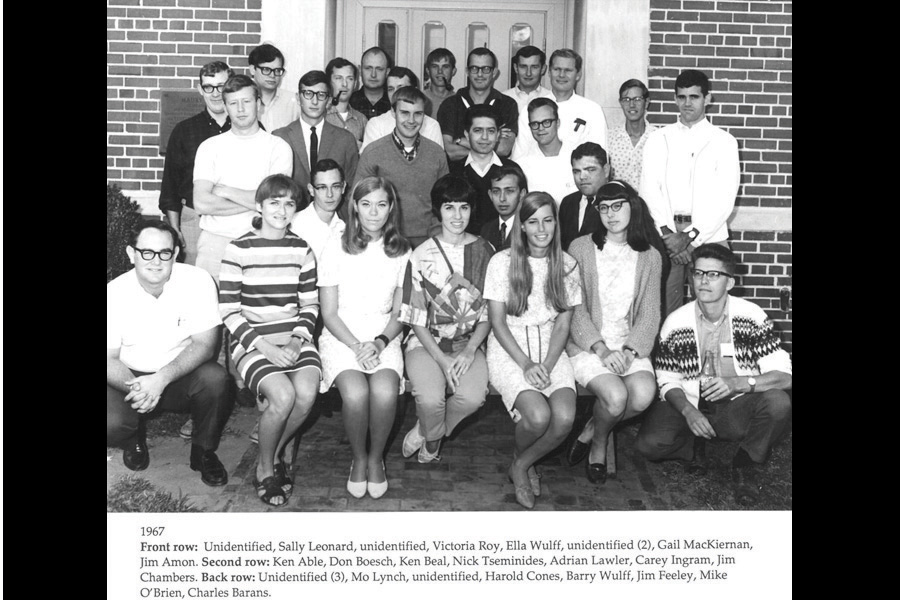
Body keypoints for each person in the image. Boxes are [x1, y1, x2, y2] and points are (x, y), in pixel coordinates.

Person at [635, 244, 792, 506]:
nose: (703, 281)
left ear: (730, 282)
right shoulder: (676, 322)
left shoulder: (752, 316)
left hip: (735, 404)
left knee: (778, 402)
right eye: (698, 273)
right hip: (692, 401)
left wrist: (738, 383)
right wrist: (688, 411)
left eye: (713, 275)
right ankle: (698, 445)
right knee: (648, 446)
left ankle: (746, 463)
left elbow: (785, 375)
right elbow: (666, 379)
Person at [218, 175, 321, 507]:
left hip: (293, 337)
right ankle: (265, 468)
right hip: (252, 342)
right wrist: (266, 348)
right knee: (283, 395)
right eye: (274, 202)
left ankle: (273, 452)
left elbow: (310, 306)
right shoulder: (238, 249)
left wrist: (293, 344)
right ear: (259, 206)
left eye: (289, 202)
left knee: (305, 394)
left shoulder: (302, 250)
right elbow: (230, 312)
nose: (281, 209)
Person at [107, 221, 231, 486]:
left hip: (177, 374)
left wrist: (160, 380)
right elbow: (108, 359)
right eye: (147, 252)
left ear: (175, 253)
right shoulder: (113, 293)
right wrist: (142, 389)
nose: (156, 261)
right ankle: (133, 439)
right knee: (112, 423)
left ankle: (203, 452)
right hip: (129, 378)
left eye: (164, 253)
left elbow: (205, 345)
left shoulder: (198, 280)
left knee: (215, 379)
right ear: (132, 254)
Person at [483, 192, 582, 508]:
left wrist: (549, 364)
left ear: (556, 222)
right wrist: (526, 364)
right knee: (538, 417)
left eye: (548, 220)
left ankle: (521, 463)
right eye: (533, 222)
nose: (542, 229)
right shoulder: (502, 262)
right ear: (521, 226)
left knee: (564, 418)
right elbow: (497, 323)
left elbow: (564, 324)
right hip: (510, 348)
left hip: (550, 349)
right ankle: (524, 464)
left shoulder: (567, 265)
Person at [317, 177, 412, 499]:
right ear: (354, 206)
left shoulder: (401, 249)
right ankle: (358, 459)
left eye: (381, 204)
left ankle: (376, 460)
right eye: (366, 203)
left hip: (384, 333)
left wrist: (380, 342)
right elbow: (328, 313)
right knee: (356, 395)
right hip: (342, 334)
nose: (374, 212)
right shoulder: (336, 243)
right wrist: (357, 346)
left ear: (391, 208)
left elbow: (402, 311)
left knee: (385, 394)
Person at [564, 181, 662, 484]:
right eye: (603, 207)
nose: (610, 213)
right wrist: (603, 350)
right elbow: (575, 309)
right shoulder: (580, 247)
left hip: (629, 345)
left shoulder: (650, 256)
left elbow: (649, 313)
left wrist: (630, 351)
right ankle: (600, 444)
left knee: (644, 395)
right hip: (588, 344)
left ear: (633, 206)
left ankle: (595, 426)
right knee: (617, 397)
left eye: (617, 205)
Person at [398, 175, 495, 463]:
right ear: (437, 210)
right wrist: (442, 360)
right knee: (430, 399)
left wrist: (469, 349)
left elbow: (490, 311)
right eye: (449, 207)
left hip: (469, 343)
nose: (457, 215)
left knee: (473, 397)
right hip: (427, 343)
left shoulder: (487, 251)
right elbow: (415, 317)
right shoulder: (420, 254)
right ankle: (432, 435)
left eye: (464, 207)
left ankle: (429, 430)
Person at [641, 69, 740, 316]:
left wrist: (690, 237)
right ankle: (669, 356)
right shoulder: (658, 138)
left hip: (710, 236)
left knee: (714, 309)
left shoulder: (724, 141)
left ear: (707, 99)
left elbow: (725, 199)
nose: (687, 103)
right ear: (675, 99)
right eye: (681, 96)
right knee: (664, 309)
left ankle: (712, 356)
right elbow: (649, 189)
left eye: (694, 97)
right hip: (667, 238)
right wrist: (668, 234)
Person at [193, 74, 292, 281]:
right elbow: (201, 203)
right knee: (211, 309)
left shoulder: (278, 147)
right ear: (226, 107)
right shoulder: (209, 148)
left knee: (260, 310)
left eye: (246, 102)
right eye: (233, 103)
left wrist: (225, 190)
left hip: (262, 240)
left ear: (258, 104)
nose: (240, 109)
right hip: (215, 244)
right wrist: (259, 200)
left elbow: (277, 203)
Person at [159, 61, 233, 265]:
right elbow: (170, 187)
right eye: (209, 87)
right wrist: (175, 229)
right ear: (200, 89)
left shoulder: (247, 127)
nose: (216, 93)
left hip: (236, 216)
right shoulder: (184, 131)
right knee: (197, 283)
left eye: (222, 86)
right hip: (194, 221)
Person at [355, 86, 449, 247]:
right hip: (384, 239)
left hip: (428, 240)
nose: (411, 120)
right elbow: (358, 199)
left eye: (418, 114)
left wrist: (436, 239)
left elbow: (446, 201)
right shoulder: (373, 152)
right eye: (405, 113)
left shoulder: (437, 153)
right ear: (393, 113)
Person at [511, 49, 608, 161]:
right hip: (537, 175)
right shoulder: (531, 108)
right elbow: (520, 155)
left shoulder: (592, 110)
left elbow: (600, 157)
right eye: (557, 69)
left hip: (576, 176)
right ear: (549, 72)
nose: (562, 75)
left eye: (568, 70)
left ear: (578, 75)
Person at [273, 70, 359, 194]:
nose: (314, 101)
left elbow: (351, 188)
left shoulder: (345, 139)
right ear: (298, 98)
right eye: (308, 94)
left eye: (321, 95)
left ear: (329, 100)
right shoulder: (280, 137)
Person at [448, 104, 522, 234]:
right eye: (478, 131)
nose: (485, 137)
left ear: (498, 134)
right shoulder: (454, 171)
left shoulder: (511, 169)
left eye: (491, 131)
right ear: (466, 133)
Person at [437, 47, 519, 161]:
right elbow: (449, 150)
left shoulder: (507, 105)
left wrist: (460, 140)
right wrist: (489, 143)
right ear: (467, 71)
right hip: (459, 175)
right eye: (474, 68)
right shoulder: (450, 104)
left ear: (494, 72)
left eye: (486, 69)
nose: (480, 74)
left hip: (495, 176)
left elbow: (503, 149)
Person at [360, 67, 444, 151]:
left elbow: (436, 161)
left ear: (414, 90)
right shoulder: (376, 125)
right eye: (391, 89)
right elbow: (370, 161)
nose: (395, 94)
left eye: (401, 88)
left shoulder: (431, 126)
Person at [515, 98, 579, 204]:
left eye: (546, 122)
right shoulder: (522, 164)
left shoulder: (577, 157)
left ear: (558, 123)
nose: (540, 128)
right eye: (535, 124)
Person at [291, 158, 347, 262]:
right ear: (311, 190)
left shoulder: (345, 228)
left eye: (335, 187)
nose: (329, 194)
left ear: (343, 187)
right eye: (322, 187)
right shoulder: (294, 225)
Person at [558, 142, 610, 251]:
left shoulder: (620, 202)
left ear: (606, 170)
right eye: (577, 171)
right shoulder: (568, 202)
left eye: (590, 170)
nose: (582, 177)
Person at [607, 79, 657, 190]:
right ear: (621, 103)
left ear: (647, 102)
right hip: (618, 205)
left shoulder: (658, 138)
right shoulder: (609, 139)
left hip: (649, 205)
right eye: (626, 99)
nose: (632, 105)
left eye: (637, 99)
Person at [248, 43, 300, 132]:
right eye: (266, 70)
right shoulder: (243, 101)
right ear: (253, 69)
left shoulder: (294, 102)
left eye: (277, 70)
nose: (272, 75)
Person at [480, 164, 528, 251]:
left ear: (522, 194)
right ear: (490, 195)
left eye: (509, 191)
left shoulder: (529, 229)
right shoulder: (486, 229)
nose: (502, 198)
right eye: (496, 191)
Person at [325, 57, 369, 149]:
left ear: (356, 84)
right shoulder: (321, 115)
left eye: (350, 79)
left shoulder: (362, 120)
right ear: (328, 82)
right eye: (338, 78)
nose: (344, 84)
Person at [502, 45, 553, 114]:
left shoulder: (552, 98)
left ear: (543, 69)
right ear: (516, 68)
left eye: (534, 67)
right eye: (523, 67)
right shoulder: (503, 99)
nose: (528, 73)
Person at [350, 46, 392, 119]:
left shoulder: (394, 103)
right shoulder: (349, 102)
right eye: (368, 68)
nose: (373, 75)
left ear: (387, 72)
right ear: (360, 70)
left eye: (379, 69)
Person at [423, 48, 456, 118]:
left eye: (445, 67)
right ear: (428, 71)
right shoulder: (420, 99)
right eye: (435, 67)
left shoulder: (459, 101)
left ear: (453, 71)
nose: (440, 71)